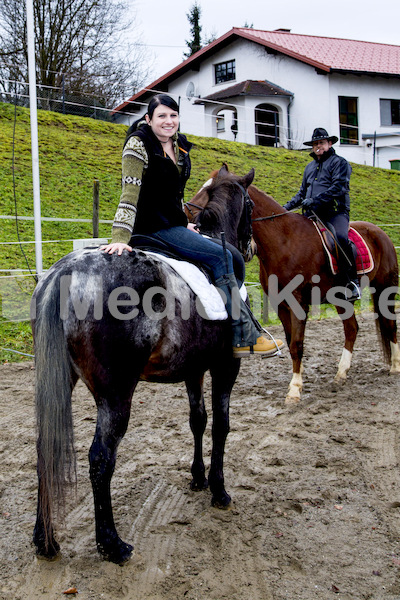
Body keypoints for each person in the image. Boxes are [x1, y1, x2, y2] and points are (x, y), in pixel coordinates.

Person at [102, 94, 283, 357]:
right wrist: (120, 236)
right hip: (150, 228)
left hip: (171, 225)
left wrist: (183, 222)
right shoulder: (138, 145)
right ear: (148, 119)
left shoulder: (180, 147)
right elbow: (129, 192)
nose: (168, 121)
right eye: (161, 116)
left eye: (173, 116)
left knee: (235, 256)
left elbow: (174, 195)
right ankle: (244, 335)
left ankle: (219, 324)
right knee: (223, 256)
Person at [283, 127, 361, 301]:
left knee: (340, 238)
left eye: (322, 143)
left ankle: (351, 281)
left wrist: (315, 200)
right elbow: (301, 193)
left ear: (329, 143)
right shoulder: (309, 167)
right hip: (312, 214)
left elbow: (338, 188)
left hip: (335, 213)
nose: (318, 146)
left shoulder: (340, 163)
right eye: (316, 144)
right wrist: (284, 209)